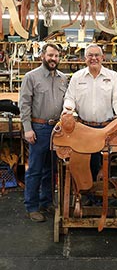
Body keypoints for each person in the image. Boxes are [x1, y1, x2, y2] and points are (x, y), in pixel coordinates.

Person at [63, 43, 117, 192]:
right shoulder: (77, 77)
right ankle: (84, 194)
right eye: (90, 55)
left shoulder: (113, 77)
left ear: (103, 57)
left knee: (103, 164)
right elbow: (70, 98)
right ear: (85, 58)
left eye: (97, 55)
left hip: (106, 127)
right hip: (83, 128)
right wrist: (67, 110)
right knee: (85, 163)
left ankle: (100, 195)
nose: (94, 58)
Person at [19, 43, 68, 222]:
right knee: (35, 170)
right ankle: (31, 207)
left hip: (58, 129)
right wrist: (27, 129)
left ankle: (46, 202)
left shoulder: (63, 78)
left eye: (56, 56)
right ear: (42, 56)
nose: (53, 59)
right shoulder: (31, 77)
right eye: (50, 55)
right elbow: (24, 105)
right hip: (39, 129)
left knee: (51, 169)